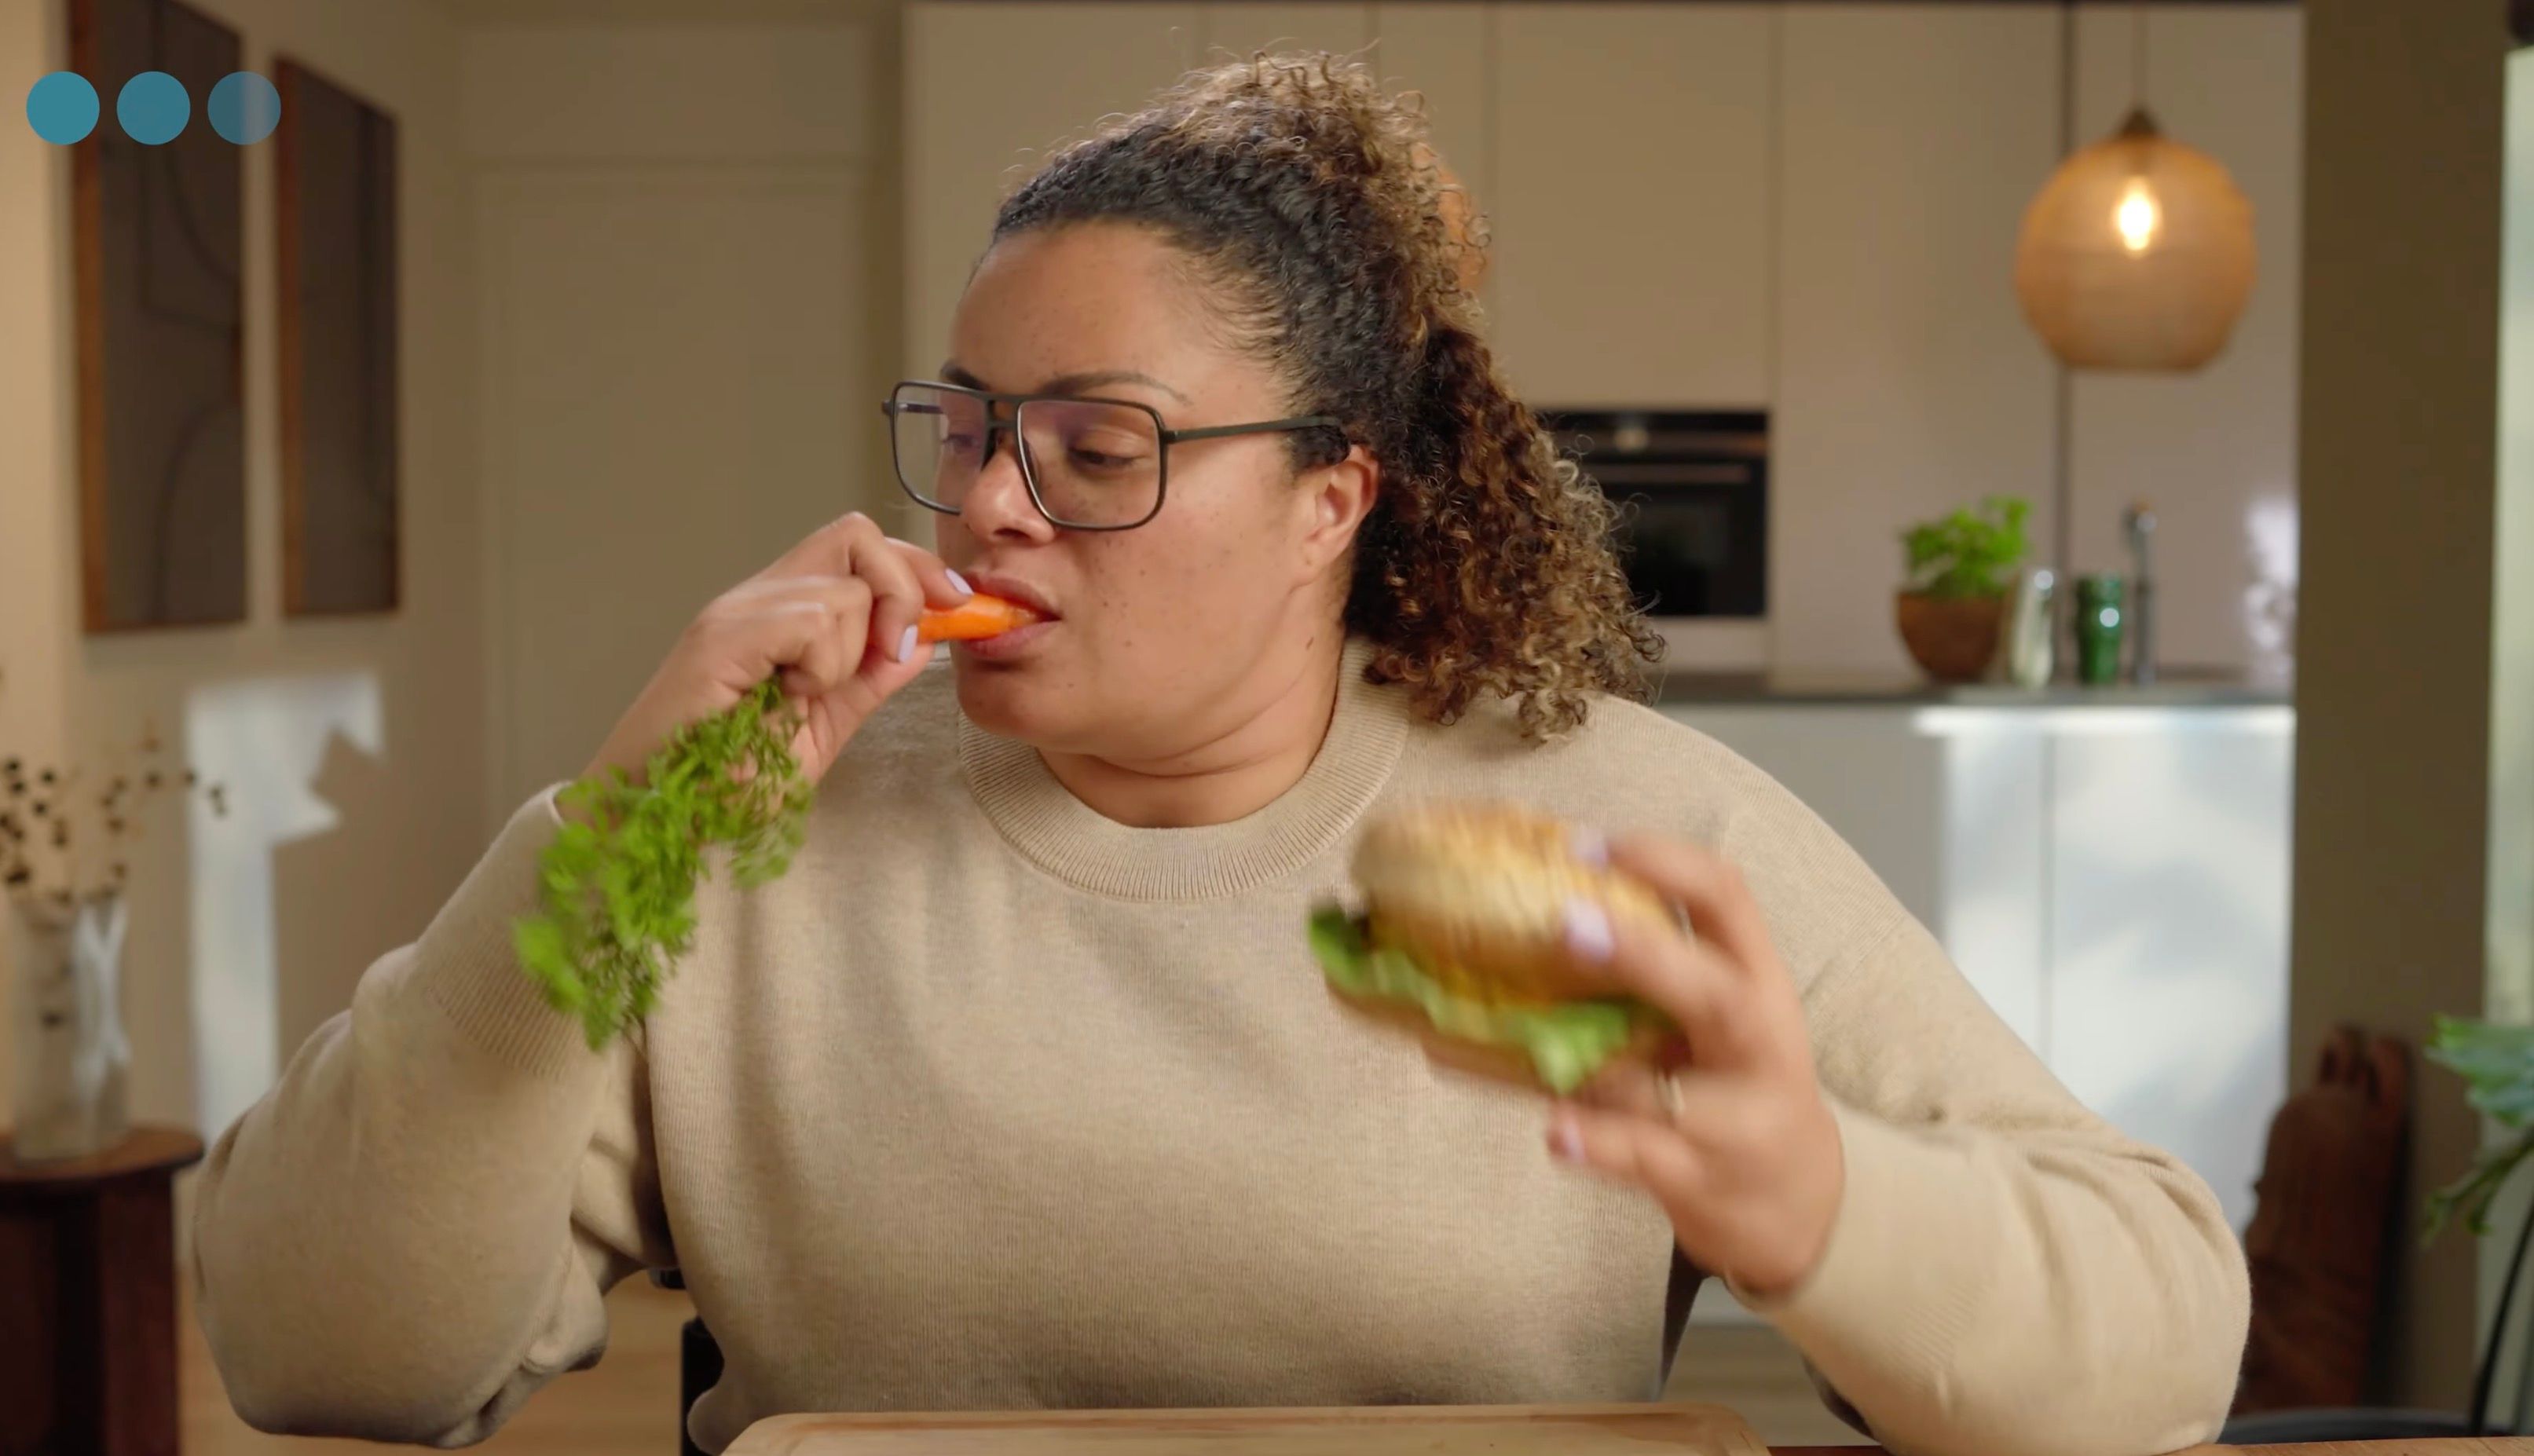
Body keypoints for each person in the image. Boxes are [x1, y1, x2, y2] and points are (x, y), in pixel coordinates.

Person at [192, 54, 2248, 1456]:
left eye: (1097, 451)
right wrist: (602, 850)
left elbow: (2159, 1330)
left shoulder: (1623, 821)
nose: (990, 506)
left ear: (1334, 498)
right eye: (968, 430)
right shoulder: (735, 848)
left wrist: (1825, 1206)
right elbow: (313, 1356)